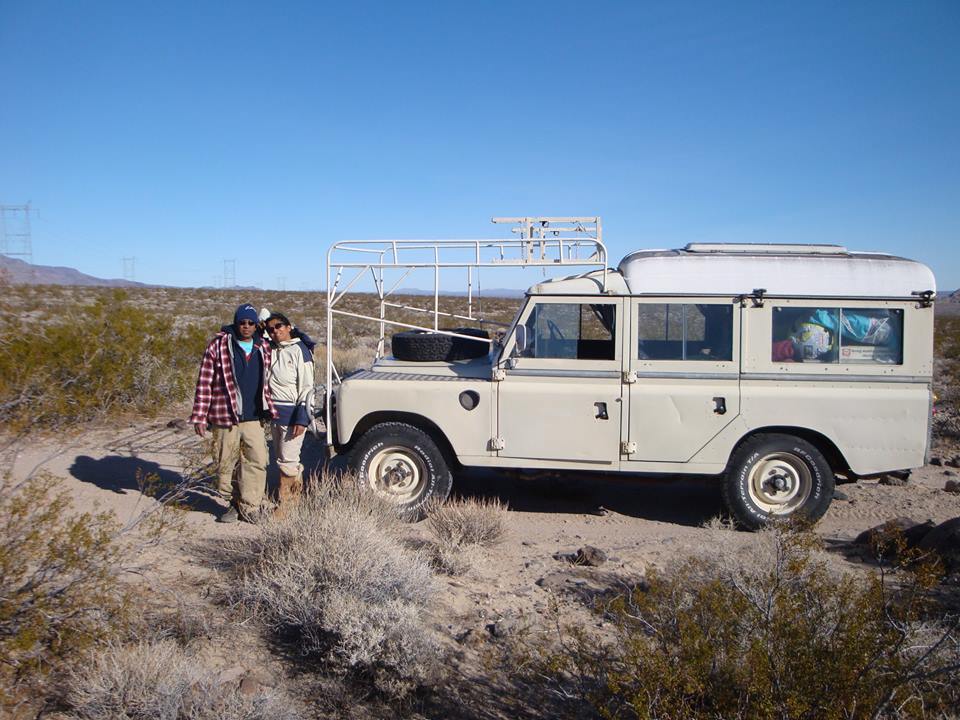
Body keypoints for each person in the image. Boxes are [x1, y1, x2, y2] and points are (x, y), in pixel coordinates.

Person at [190, 303, 277, 523]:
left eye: (250, 323)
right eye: (242, 322)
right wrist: (200, 416)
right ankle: (233, 502)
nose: (246, 327)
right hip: (225, 416)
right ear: (235, 323)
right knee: (225, 463)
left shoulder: (264, 346)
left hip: (254, 415)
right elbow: (204, 382)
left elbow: (294, 337)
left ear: (256, 325)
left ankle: (251, 506)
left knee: (256, 460)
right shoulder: (218, 346)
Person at [264, 312, 314, 512]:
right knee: (281, 458)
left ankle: (288, 506)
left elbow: (307, 387)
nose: (275, 331)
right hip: (274, 414)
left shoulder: (299, 350)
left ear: (288, 327)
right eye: (270, 329)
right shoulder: (271, 349)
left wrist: (302, 419)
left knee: (288, 460)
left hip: (292, 414)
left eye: (279, 326)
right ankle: (292, 499)